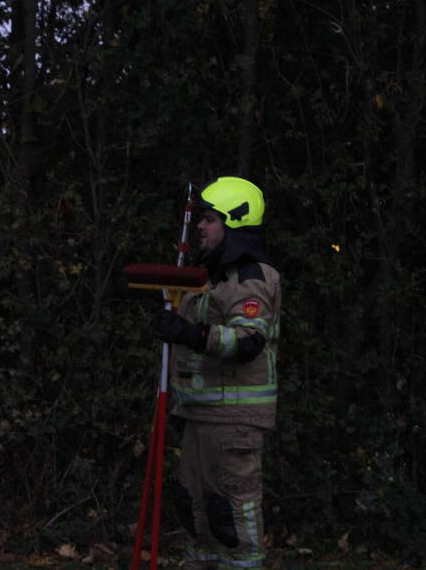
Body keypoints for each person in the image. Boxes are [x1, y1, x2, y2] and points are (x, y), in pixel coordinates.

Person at [153, 176, 280, 570]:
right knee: (195, 511)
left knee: (232, 516)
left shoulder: (250, 278)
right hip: (200, 414)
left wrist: (190, 333)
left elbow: (247, 341)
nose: (200, 227)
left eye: (209, 219)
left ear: (234, 224)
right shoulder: (211, 278)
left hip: (234, 419)